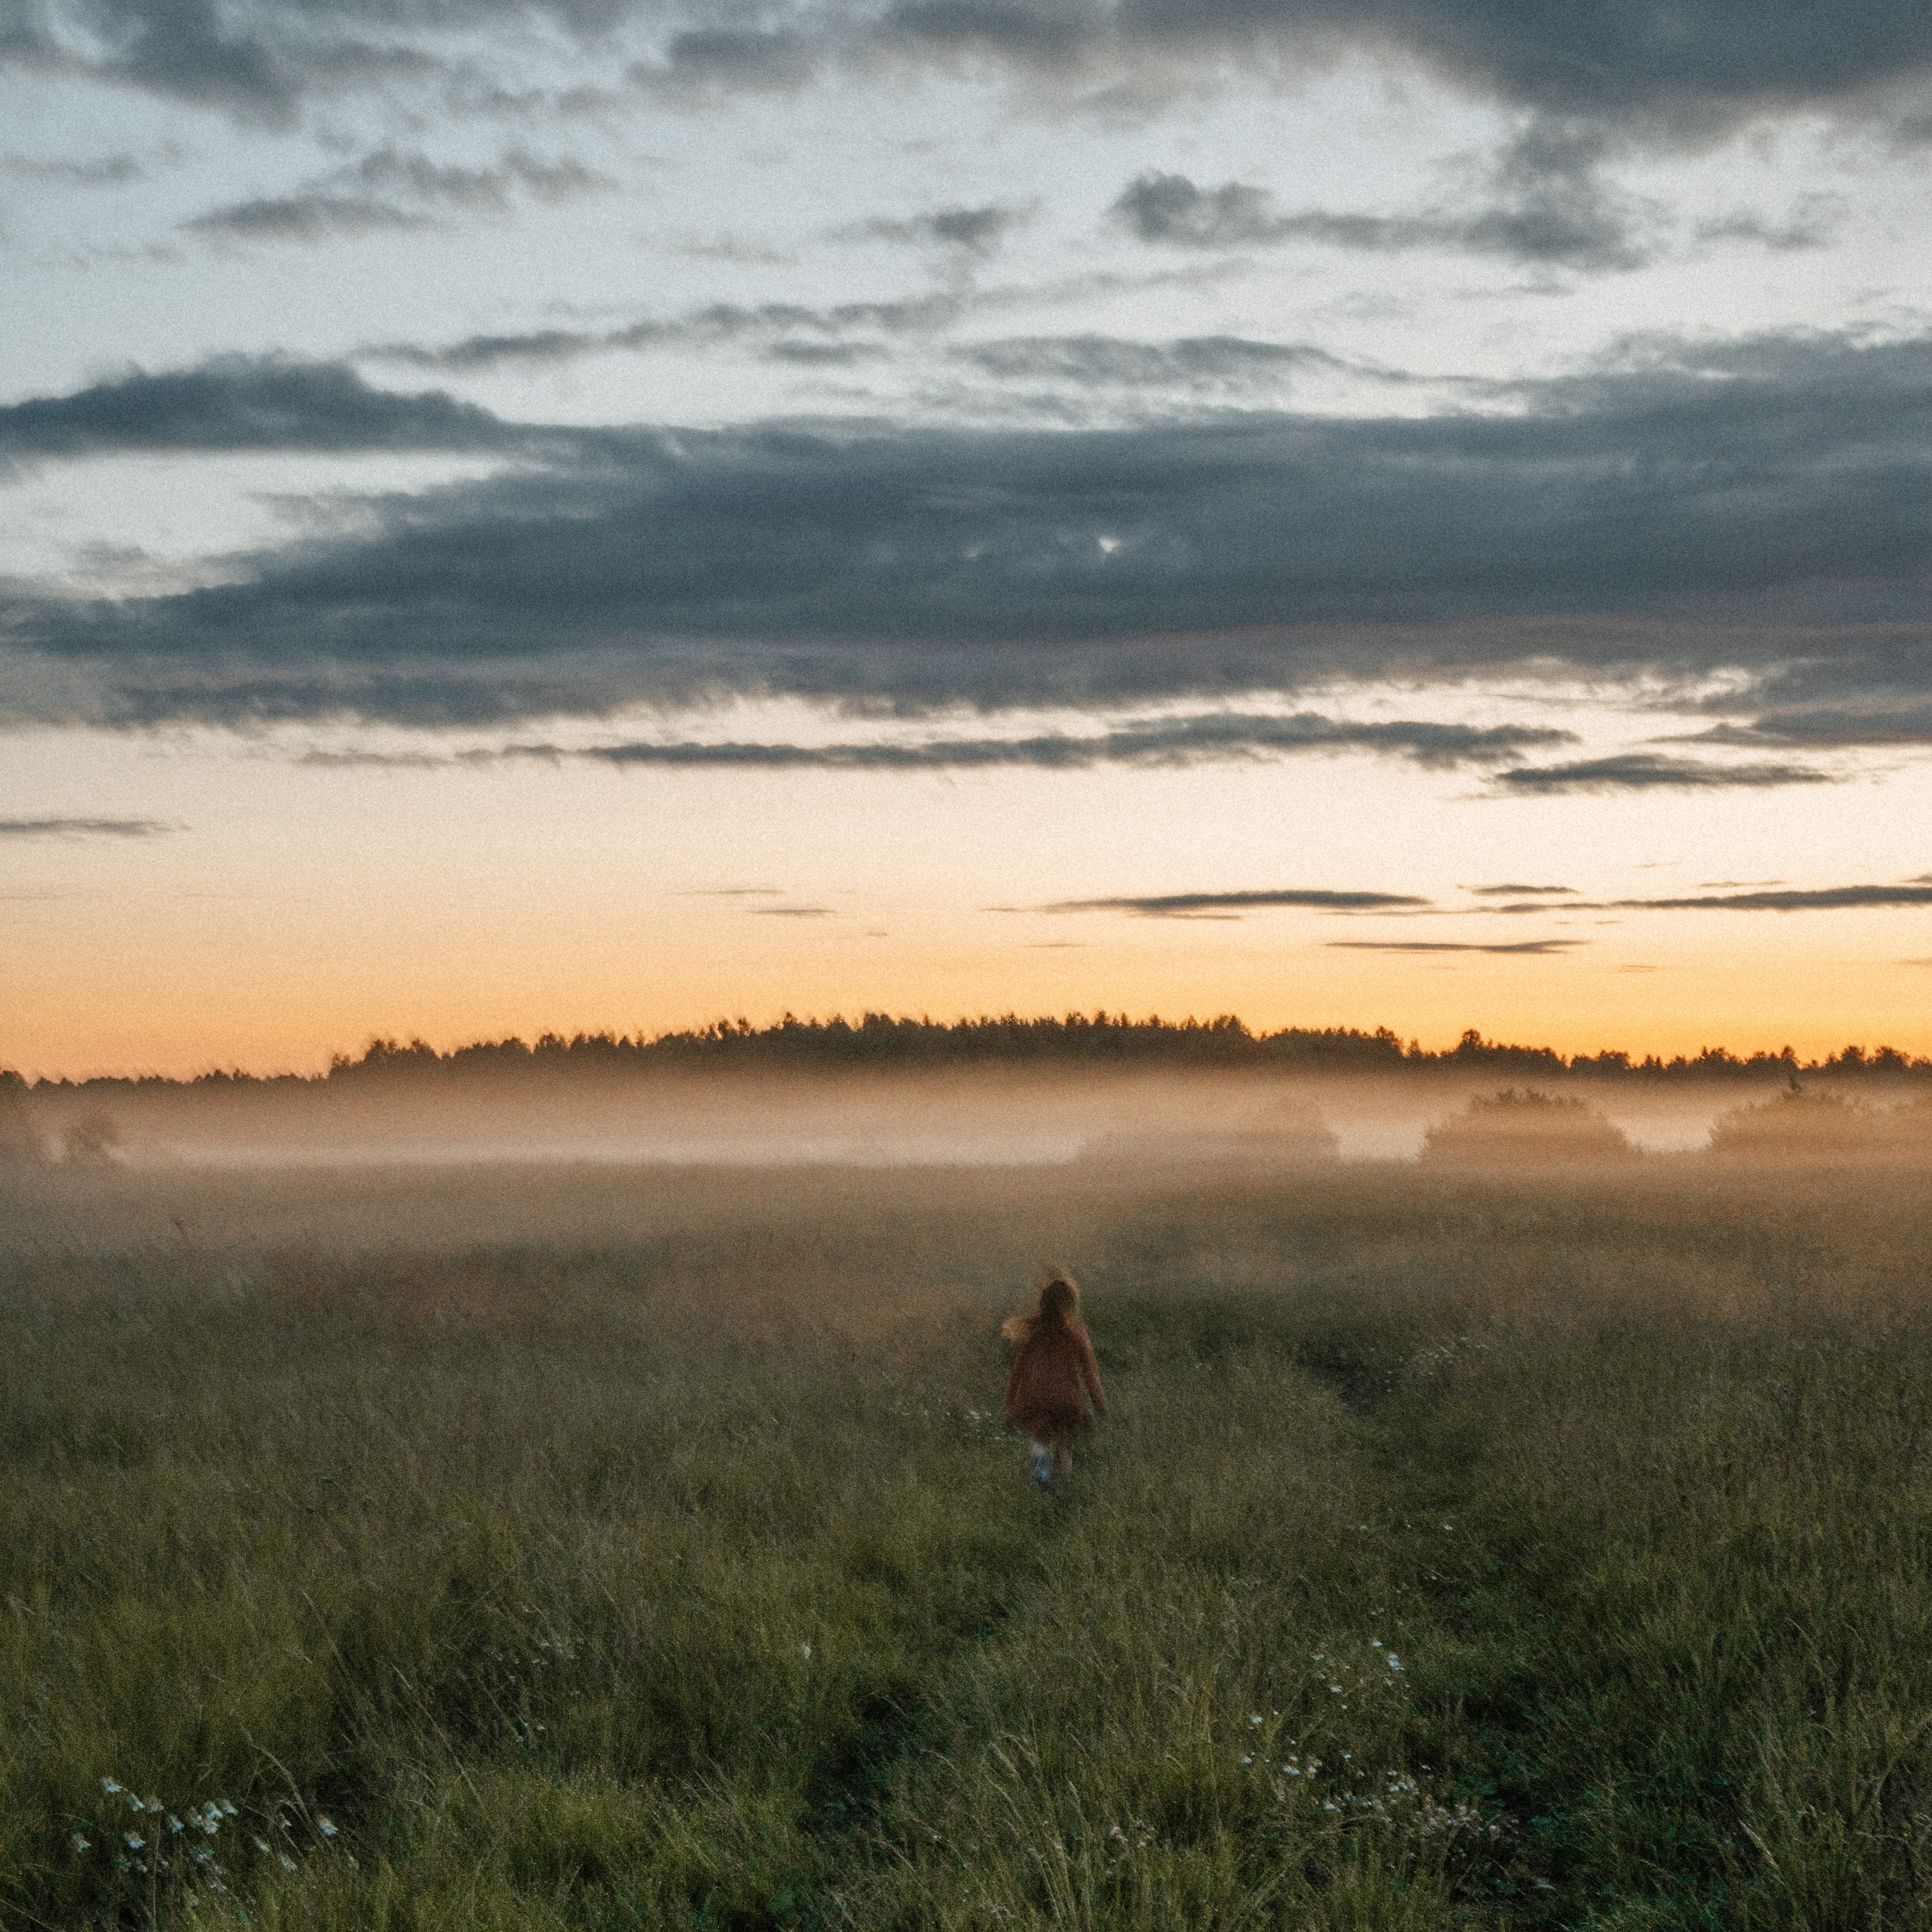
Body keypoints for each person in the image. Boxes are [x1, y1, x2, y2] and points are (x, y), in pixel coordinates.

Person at [1002, 1271, 1106, 1488]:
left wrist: (1011, 1403)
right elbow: (1090, 1375)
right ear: (1069, 1309)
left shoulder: (1033, 1339)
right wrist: (1099, 1403)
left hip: (1036, 1398)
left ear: (1043, 1308)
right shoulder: (1076, 1339)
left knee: (1040, 1437)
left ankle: (1041, 1477)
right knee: (1063, 1442)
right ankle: (1062, 1489)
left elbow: (1018, 1372)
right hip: (1066, 1401)